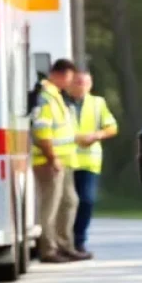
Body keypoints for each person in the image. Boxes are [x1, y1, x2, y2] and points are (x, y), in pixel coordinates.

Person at [31, 59, 88, 263]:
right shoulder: (46, 97)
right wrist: (52, 158)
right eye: (69, 78)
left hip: (63, 161)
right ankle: (48, 249)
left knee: (69, 202)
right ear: (60, 75)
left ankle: (65, 245)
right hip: (49, 161)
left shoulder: (55, 96)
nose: (69, 83)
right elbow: (41, 131)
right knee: (50, 207)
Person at [69, 70, 118, 258]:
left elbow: (112, 127)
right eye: (77, 82)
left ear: (90, 85)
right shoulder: (64, 103)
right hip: (67, 160)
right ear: (72, 84)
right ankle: (66, 241)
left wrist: (96, 135)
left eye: (84, 83)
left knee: (87, 201)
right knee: (67, 205)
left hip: (89, 162)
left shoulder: (98, 103)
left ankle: (79, 240)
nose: (81, 86)